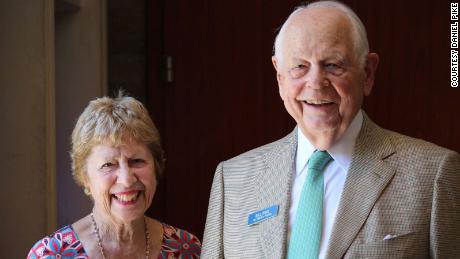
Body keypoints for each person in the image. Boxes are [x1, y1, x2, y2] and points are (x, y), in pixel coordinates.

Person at [201, 1, 459, 258]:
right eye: (300, 66)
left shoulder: (434, 174)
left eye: (333, 65)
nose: (315, 83)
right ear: (279, 77)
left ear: (367, 73)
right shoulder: (232, 179)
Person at [28, 94, 201, 258]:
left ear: (156, 167)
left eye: (137, 161)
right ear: (84, 177)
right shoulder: (50, 254)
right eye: (108, 164)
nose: (126, 180)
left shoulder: (186, 249)